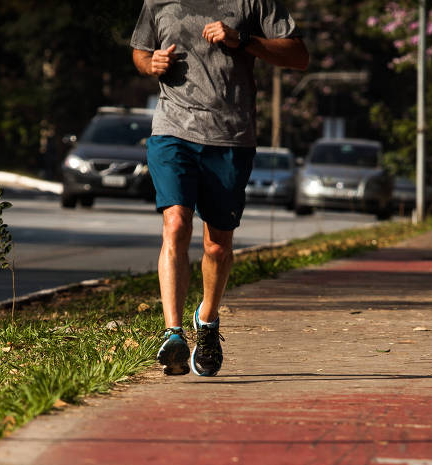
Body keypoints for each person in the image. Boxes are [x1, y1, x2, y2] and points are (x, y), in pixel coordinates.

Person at [131, 1, 309, 376]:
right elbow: (140, 51)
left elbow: (298, 55)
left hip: (231, 137)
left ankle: (207, 322)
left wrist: (243, 40)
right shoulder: (158, 2)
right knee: (176, 224)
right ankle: (173, 333)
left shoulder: (253, 3)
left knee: (217, 245)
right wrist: (151, 65)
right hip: (172, 130)